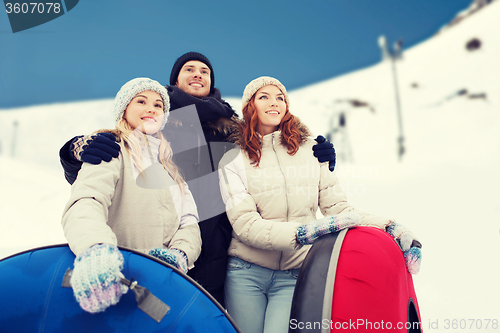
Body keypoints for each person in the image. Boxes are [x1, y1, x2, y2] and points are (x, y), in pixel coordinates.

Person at [58, 52, 337, 307]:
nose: (197, 74)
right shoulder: (160, 120)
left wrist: (313, 150)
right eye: (189, 69)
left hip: (221, 244)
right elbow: (101, 175)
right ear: (174, 80)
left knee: (203, 318)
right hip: (161, 243)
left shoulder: (234, 127)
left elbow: (271, 153)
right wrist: (74, 151)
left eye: (204, 70)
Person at [218, 76, 421, 333]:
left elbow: (338, 208)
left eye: (280, 98)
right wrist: (301, 233)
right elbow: (245, 224)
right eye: (264, 97)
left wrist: (390, 227)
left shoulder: (312, 150)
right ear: (250, 106)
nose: (274, 103)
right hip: (245, 273)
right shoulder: (232, 159)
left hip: (294, 273)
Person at [61, 78, 201, 313]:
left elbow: (189, 222)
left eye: (158, 105)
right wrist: (95, 248)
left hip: (158, 289)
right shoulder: (110, 150)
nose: (151, 109)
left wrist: (179, 254)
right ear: (124, 110)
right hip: (112, 278)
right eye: (141, 101)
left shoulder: (171, 169)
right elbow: (86, 201)